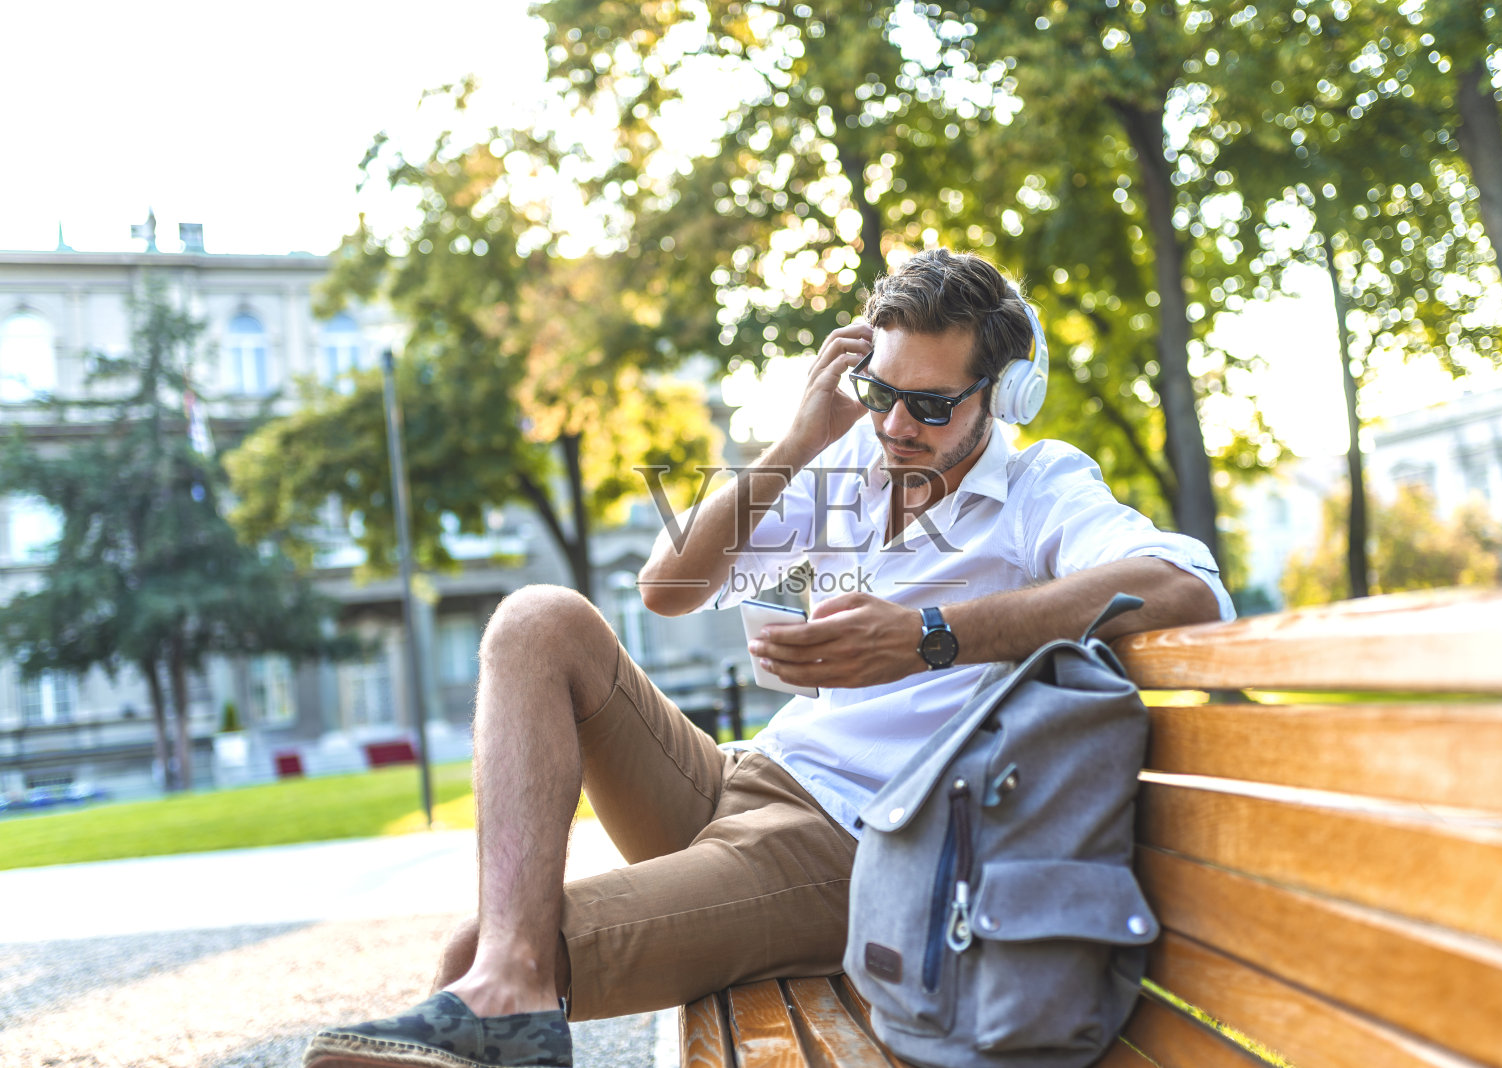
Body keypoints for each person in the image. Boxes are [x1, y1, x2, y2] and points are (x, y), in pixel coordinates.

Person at [304, 249, 1233, 1068]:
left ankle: (507, 986)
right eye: (883, 392)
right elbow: (668, 587)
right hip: (745, 778)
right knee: (538, 618)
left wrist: (926, 635)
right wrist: (796, 441)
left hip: (852, 844)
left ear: (1006, 394)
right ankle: (510, 987)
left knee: (479, 947)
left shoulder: (1039, 490)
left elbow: (1184, 585)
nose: (899, 425)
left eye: (934, 405)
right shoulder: (846, 468)